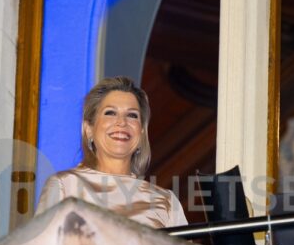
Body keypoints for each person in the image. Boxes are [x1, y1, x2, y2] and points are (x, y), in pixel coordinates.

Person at [36, 76, 188, 228]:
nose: (122, 122)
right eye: (110, 113)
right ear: (89, 129)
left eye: (132, 115)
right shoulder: (64, 185)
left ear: (141, 132)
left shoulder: (166, 202)